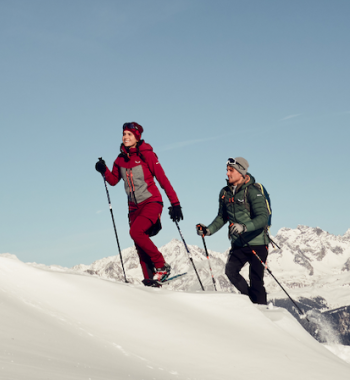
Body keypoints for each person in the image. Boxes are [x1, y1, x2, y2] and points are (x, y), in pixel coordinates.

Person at [95, 122, 183, 287]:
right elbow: (113, 180)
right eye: (124, 134)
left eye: (130, 134)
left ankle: (161, 265)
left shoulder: (146, 155)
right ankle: (151, 281)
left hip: (151, 201)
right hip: (133, 208)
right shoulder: (120, 159)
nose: (126, 137)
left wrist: (175, 203)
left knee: (135, 232)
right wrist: (104, 170)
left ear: (137, 137)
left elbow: (163, 180)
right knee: (139, 244)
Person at [197, 157, 272, 305]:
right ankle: (251, 303)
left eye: (231, 170)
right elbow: (222, 217)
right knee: (231, 271)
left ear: (241, 172)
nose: (227, 173)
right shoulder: (225, 193)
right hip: (238, 243)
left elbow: (263, 217)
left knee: (256, 281)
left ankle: (263, 312)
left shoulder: (252, 191)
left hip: (257, 242)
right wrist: (208, 230)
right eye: (227, 170)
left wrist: (244, 227)